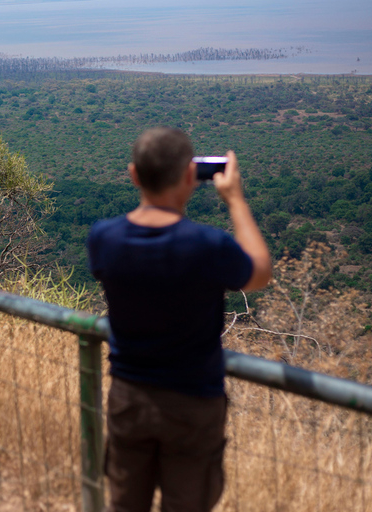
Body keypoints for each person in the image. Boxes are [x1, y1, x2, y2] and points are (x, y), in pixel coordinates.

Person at [87, 127, 272, 511]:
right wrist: (235, 199)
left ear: (134, 175)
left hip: (129, 397)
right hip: (193, 401)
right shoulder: (209, 246)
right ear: (191, 177)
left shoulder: (103, 239)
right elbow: (259, 273)